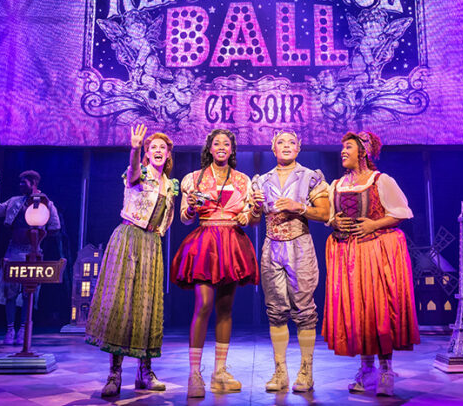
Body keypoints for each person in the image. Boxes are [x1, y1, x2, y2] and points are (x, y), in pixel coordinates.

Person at [322, 131, 419, 398]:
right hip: (349, 254)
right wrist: (333, 222)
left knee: (378, 310)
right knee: (358, 311)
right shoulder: (337, 185)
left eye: (349, 147)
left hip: (376, 250)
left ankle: (386, 369)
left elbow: (401, 212)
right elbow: (331, 216)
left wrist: (375, 223)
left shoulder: (381, 181)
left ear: (363, 152)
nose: (343, 151)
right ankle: (366, 370)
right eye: (342, 147)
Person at [86, 123, 179, 397]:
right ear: (147, 153)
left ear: (168, 154)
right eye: (153, 148)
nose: (158, 151)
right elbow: (133, 173)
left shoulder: (170, 184)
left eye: (163, 148)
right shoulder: (138, 172)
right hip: (129, 237)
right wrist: (134, 148)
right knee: (123, 303)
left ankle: (145, 371)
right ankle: (114, 373)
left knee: (146, 306)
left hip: (152, 243)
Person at [170, 128, 258, 398]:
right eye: (217, 143)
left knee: (225, 307)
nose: (222, 147)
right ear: (209, 148)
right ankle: (194, 373)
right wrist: (191, 208)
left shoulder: (243, 181)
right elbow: (184, 219)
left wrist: (249, 216)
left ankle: (219, 371)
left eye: (227, 143)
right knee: (204, 304)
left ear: (232, 150)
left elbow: (252, 216)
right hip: (205, 243)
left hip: (232, 243)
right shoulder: (192, 179)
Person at [249, 130, 330, 393]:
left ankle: (306, 370)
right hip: (271, 247)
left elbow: (326, 212)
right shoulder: (261, 180)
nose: (286, 146)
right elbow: (252, 219)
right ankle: (280, 371)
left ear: (299, 147)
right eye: (281, 142)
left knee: (305, 310)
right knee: (275, 310)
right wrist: (253, 208)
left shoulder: (310, 177)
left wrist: (300, 208)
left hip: (300, 246)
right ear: (273, 148)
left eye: (291, 142)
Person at [0, 169, 61, 344]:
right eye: (19, 182)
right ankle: (10, 329)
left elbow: (55, 226)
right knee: (10, 292)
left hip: (32, 251)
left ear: (34, 183)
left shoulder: (45, 203)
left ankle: (23, 329)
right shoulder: (14, 201)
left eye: (24, 182)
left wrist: (38, 236)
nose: (20, 185)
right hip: (14, 250)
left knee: (29, 293)